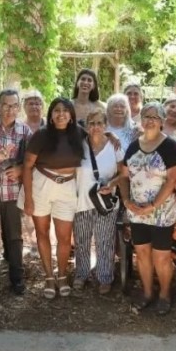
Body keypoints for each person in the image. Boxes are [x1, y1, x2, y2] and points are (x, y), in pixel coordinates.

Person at [20, 97, 85, 299]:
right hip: (41, 184)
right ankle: (49, 276)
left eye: (65, 110)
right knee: (42, 232)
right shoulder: (41, 135)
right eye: (56, 110)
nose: (61, 114)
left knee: (65, 237)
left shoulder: (79, 134)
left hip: (67, 187)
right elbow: (27, 166)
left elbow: (98, 136)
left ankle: (62, 274)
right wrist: (29, 198)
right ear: (51, 115)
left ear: (72, 116)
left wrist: (111, 135)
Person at [121, 102, 176, 315]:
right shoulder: (132, 145)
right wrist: (127, 201)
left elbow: (173, 179)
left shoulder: (169, 146)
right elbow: (122, 176)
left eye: (155, 117)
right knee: (142, 253)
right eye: (146, 115)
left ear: (162, 121)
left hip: (162, 212)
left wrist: (153, 205)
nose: (150, 120)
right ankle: (147, 293)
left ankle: (165, 295)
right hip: (137, 211)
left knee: (161, 256)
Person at [0, 89, 33, 296]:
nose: (9, 110)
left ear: (19, 108)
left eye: (13, 105)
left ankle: (17, 279)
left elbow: (31, 161)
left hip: (11, 193)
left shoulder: (25, 131)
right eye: (5, 105)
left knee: (14, 237)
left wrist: (19, 169)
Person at [73, 108, 127, 295]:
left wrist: (111, 183)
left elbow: (124, 173)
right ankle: (81, 274)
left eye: (99, 123)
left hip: (106, 202)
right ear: (86, 126)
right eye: (92, 123)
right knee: (82, 240)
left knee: (105, 241)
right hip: (81, 201)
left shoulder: (114, 146)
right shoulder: (79, 145)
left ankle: (105, 277)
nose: (95, 127)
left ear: (106, 125)